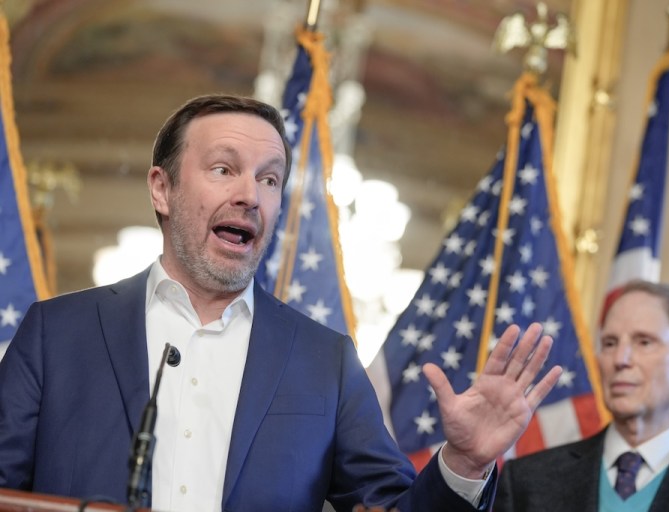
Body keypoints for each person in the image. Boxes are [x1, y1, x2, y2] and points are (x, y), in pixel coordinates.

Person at [0, 94, 562, 512]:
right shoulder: (56, 334)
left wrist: (463, 463)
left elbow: (392, 507)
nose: (250, 194)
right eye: (224, 169)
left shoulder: (324, 362)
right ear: (161, 188)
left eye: (270, 180)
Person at [493, 279, 669, 511]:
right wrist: (470, 464)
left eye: (644, 342)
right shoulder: (527, 481)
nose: (620, 359)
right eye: (610, 343)